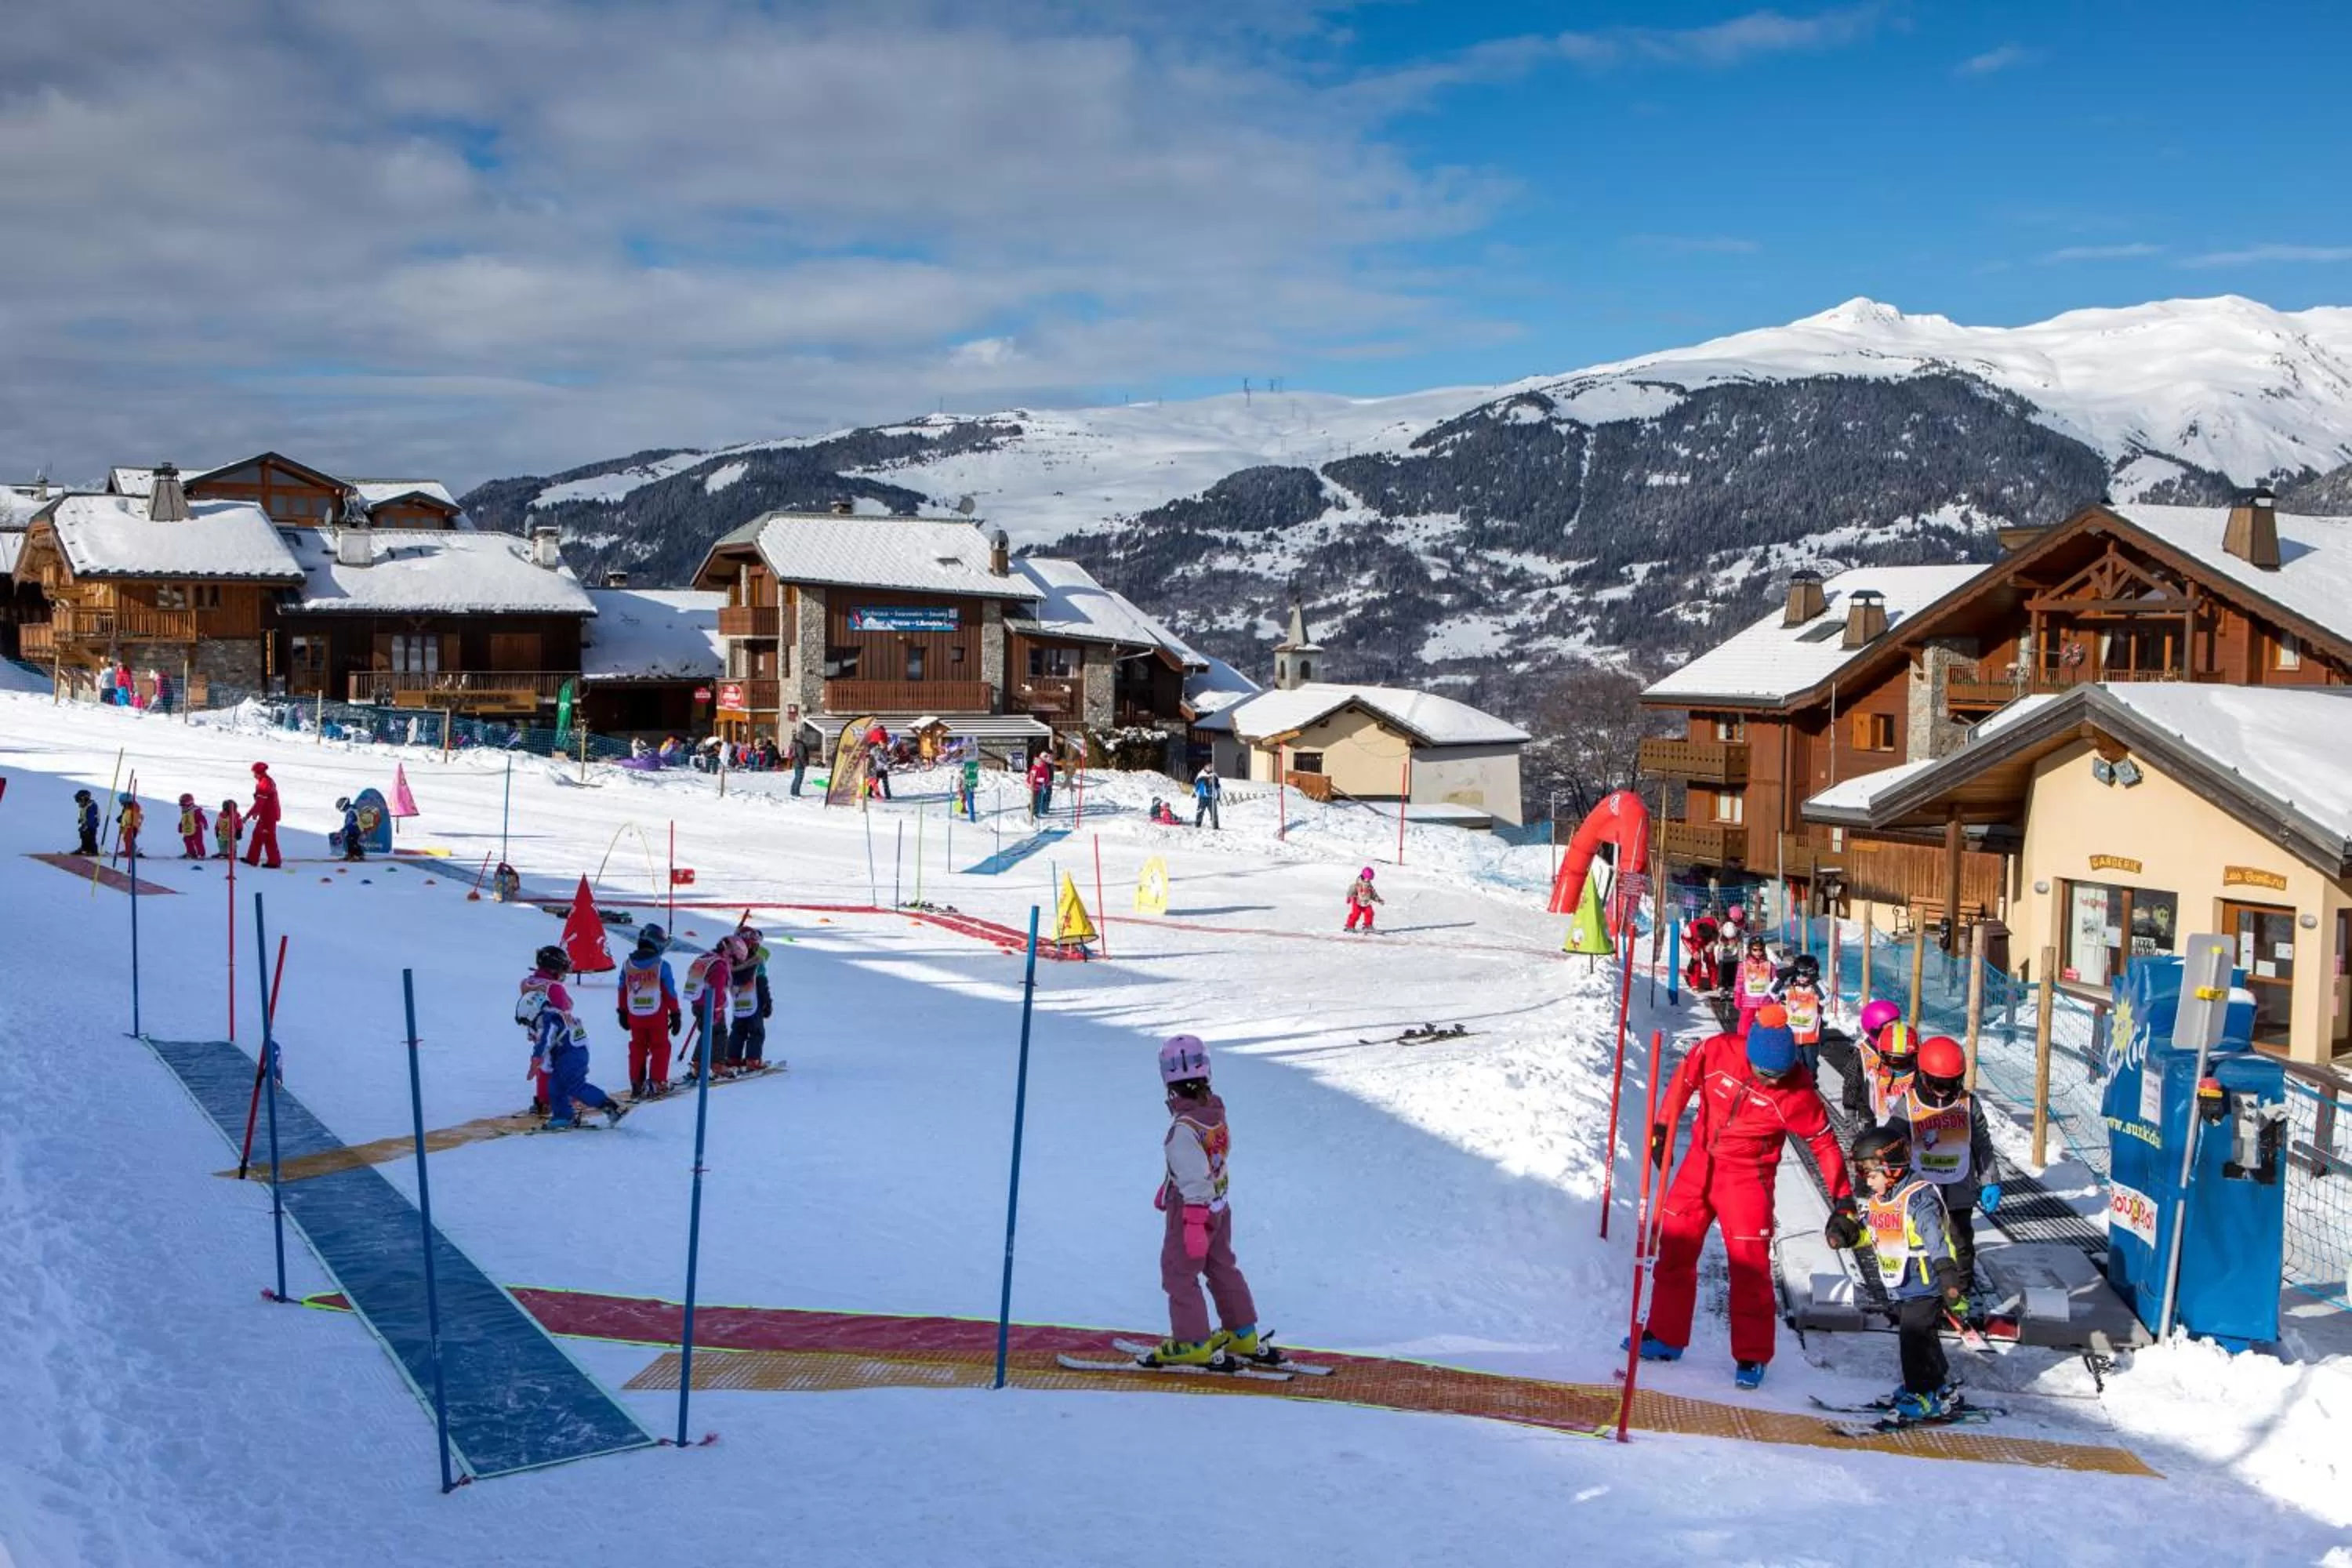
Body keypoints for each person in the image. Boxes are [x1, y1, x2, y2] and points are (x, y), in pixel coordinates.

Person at [1634, 1004, 1854, 1389]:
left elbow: (1824, 1144)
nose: (1772, 1081)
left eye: (1779, 1074)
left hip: (1748, 1177)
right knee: (1675, 1248)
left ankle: (1752, 1354)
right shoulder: (1718, 1051)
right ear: (1750, 1054)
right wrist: (1664, 1125)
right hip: (1700, 1163)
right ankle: (1666, 1336)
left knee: (1749, 1268)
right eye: (1765, 1073)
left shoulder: (1797, 1092)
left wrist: (1843, 1200)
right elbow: (1685, 1079)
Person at [1138, 1035, 1264, 1369]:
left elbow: (1194, 1177)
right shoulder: (1214, 1115)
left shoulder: (1183, 1129)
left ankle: (1192, 1342)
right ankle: (1241, 1332)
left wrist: (1193, 1223)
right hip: (1219, 1206)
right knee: (1221, 1265)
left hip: (1193, 1212)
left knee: (1178, 1274)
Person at [1825, 1125, 1965, 1420]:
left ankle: (1921, 1393)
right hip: (1903, 1285)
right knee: (1924, 1337)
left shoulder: (1918, 1197)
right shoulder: (1882, 1199)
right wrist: (1850, 1235)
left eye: (1871, 1175)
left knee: (1913, 1340)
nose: (1867, 1182)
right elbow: (1875, 1234)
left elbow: (1935, 1238)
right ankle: (1938, 1387)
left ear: (1893, 1169)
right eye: (1863, 1175)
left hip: (1926, 1283)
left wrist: (1947, 1272)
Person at [1886, 1035, 2005, 1296]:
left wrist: (1990, 1180)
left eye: (1951, 1084)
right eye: (1937, 1084)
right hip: (1921, 1187)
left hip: (1958, 1184)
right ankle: (1927, 1290)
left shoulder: (1967, 1104)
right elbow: (1892, 1142)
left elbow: (1982, 1144)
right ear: (1923, 1076)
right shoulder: (1908, 1105)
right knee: (1927, 1238)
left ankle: (1959, 1293)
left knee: (1960, 1241)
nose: (1944, 1090)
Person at [518, 945, 627, 1130]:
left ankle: (611, 1107)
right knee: (556, 1084)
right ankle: (562, 1116)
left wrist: (536, 1056)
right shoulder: (553, 991)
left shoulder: (532, 988)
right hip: (562, 1045)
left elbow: (549, 1031)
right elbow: (566, 1006)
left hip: (572, 1048)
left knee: (573, 1085)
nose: (564, 975)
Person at [616, 924, 683, 1097]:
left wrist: (622, 1011)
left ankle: (636, 1083)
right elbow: (669, 992)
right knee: (660, 1047)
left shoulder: (627, 965)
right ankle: (657, 1082)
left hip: (635, 1015)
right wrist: (675, 1013)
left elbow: (622, 990)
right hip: (656, 1016)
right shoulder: (661, 965)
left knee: (638, 1047)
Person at [679, 935, 736, 1081]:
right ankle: (717, 1064)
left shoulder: (706, 958)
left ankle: (698, 1065)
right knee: (719, 1032)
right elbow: (717, 991)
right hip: (710, 1004)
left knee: (707, 1032)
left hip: (697, 1001)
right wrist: (717, 1010)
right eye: (732, 959)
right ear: (728, 953)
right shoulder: (720, 966)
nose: (732, 963)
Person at [725, 927, 774, 1074]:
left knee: (738, 1029)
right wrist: (767, 1002)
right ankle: (753, 1060)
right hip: (754, 999)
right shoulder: (756, 959)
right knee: (756, 1031)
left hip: (739, 999)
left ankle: (733, 1058)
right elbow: (761, 981)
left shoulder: (732, 960)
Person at [1775, 953, 1827, 1073]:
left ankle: (1811, 1079)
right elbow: (1772, 992)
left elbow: (1826, 1000)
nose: (1801, 977)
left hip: (1811, 1037)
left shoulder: (1816, 990)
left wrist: (1815, 980)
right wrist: (1783, 976)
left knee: (1811, 1064)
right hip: (1793, 1036)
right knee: (1797, 1065)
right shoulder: (1790, 990)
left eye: (1805, 974)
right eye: (1798, 973)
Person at [1731, 935, 1777, 1036]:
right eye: (1755, 950)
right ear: (1750, 949)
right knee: (1745, 1022)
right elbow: (1739, 982)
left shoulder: (1769, 965)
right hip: (1749, 1000)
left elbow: (1775, 982)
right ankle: (1743, 1039)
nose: (1758, 953)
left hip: (1765, 1000)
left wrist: (1775, 998)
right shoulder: (1744, 965)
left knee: (1767, 1022)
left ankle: (1766, 1039)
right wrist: (1737, 997)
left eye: (1760, 950)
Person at [244, 762, 282, 868]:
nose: (254, 775)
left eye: (254, 773)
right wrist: (257, 812)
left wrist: (248, 815)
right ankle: (252, 859)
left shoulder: (265, 784)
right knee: (257, 835)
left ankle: (274, 862)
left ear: (259, 772)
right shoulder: (264, 781)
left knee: (269, 838)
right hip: (264, 814)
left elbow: (259, 803)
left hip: (269, 815)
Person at [1343, 866, 1383, 932]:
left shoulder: (1369, 885)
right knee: (1356, 914)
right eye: (1368, 878)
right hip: (1357, 901)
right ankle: (1350, 926)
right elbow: (1351, 890)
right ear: (1364, 876)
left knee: (1370, 913)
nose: (1368, 880)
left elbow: (1373, 894)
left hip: (1366, 902)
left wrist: (1378, 900)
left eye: (1370, 879)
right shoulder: (1358, 884)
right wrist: (1349, 897)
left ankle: (1368, 925)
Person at [333, 797, 365, 862]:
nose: (341, 811)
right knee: (350, 840)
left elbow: (351, 822)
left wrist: (345, 829)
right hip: (354, 828)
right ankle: (351, 854)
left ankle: (358, 855)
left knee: (352, 840)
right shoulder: (350, 810)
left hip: (356, 828)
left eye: (339, 808)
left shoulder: (351, 811)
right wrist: (345, 829)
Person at [177, 794, 209, 858]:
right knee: (186, 840)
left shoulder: (195, 810)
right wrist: (180, 826)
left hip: (197, 829)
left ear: (189, 804)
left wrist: (205, 824)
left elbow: (202, 817)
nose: (182, 807)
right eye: (181, 806)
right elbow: (183, 820)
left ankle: (201, 854)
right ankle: (191, 853)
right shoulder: (185, 811)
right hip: (188, 828)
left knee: (198, 841)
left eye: (183, 805)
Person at [71, 789, 100, 856]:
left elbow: (91, 818)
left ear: (85, 799)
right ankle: (84, 848)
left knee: (90, 837)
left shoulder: (92, 806)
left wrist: (86, 825)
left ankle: (93, 851)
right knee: (83, 836)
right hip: (85, 824)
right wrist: (80, 820)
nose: (79, 803)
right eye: (77, 801)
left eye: (79, 801)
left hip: (91, 825)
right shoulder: (85, 806)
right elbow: (83, 814)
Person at [1192, 763, 1221, 829]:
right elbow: (1197, 785)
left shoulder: (1214, 776)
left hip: (1211, 797)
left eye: (1210, 767)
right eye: (1208, 767)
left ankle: (1215, 825)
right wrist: (1194, 792)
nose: (1209, 768)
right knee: (1200, 810)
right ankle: (1198, 823)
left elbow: (1218, 786)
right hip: (1202, 797)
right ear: (1205, 767)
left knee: (1214, 812)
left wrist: (1218, 794)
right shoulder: (1201, 776)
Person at [115, 793, 143, 862]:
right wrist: (121, 818)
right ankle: (131, 849)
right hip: (127, 826)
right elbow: (124, 814)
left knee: (128, 838)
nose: (122, 805)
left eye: (123, 803)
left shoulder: (134, 808)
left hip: (132, 826)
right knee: (126, 838)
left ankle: (130, 852)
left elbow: (135, 818)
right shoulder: (127, 806)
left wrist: (134, 827)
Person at [1028, 752, 1054, 818]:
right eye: (1046, 757)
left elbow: (1046, 775)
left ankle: (1038, 811)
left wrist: (1047, 781)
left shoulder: (1045, 765)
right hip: (1036, 786)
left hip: (1042, 786)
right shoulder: (1038, 766)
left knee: (1040, 799)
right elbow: (1033, 777)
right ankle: (1034, 813)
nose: (1049, 758)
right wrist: (1042, 781)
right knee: (1036, 800)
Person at [788, 730, 810, 796]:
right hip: (800, 763)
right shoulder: (800, 744)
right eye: (803, 737)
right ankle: (796, 793)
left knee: (797, 777)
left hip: (796, 762)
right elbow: (801, 755)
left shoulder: (795, 743)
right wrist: (804, 763)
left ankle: (793, 791)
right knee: (799, 778)